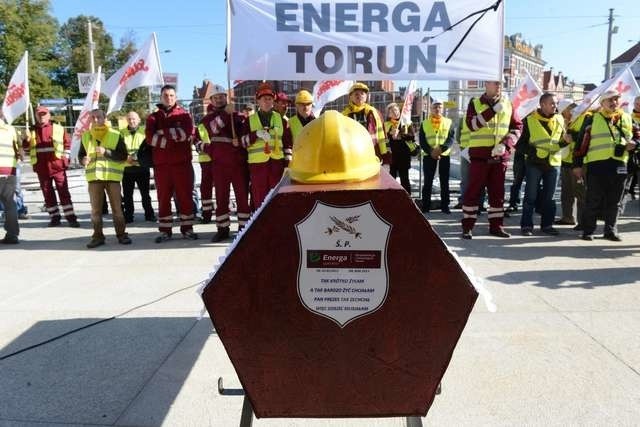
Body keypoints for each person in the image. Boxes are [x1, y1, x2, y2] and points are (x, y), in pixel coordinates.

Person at [461, 80, 523, 239]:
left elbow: (517, 127)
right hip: (479, 157)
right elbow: (472, 125)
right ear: (486, 84)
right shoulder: (474, 103)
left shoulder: (508, 103)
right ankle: (467, 227)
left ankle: (496, 227)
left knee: (498, 194)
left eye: (501, 83)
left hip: (499, 157)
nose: (499, 85)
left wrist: (506, 144)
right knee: (472, 193)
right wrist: (492, 110)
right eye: (495, 83)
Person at [573, 89, 637, 241]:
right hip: (597, 165)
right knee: (593, 199)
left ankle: (610, 231)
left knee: (615, 201)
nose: (614, 102)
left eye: (616, 99)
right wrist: (577, 165)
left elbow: (638, 137)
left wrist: (635, 144)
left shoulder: (627, 118)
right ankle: (588, 231)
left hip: (620, 164)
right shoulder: (592, 119)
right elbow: (581, 143)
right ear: (602, 103)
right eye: (610, 100)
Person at [198, 85, 251, 242]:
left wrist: (239, 141)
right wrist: (227, 114)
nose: (219, 99)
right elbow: (214, 128)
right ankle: (222, 229)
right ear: (212, 100)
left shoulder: (239, 117)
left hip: (238, 163)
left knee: (242, 197)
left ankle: (244, 228)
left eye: (222, 96)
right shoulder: (208, 118)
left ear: (226, 98)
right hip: (220, 164)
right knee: (221, 198)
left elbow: (245, 136)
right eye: (216, 97)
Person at [146, 84, 198, 243]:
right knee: (163, 198)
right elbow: (150, 138)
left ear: (176, 97)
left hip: (182, 164)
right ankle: (165, 231)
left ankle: (187, 229)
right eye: (165, 95)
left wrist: (162, 132)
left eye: (171, 95)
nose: (168, 98)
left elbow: (187, 134)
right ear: (161, 97)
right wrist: (172, 138)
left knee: (185, 197)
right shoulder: (153, 117)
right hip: (162, 166)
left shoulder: (184, 115)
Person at [78, 109, 131, 248]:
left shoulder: (115, 134)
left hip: (112, 178)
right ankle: (97, 236)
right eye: (93, 118)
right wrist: (82, 160)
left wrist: (106, 152)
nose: (96, 120)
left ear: (104, 118)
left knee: (117, 209)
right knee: (95, 211)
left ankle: (121, 235)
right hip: (94, 178)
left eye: (98, 117)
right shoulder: (85, 136)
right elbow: (80, 156)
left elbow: (123, 156)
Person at [517, 93, 566, 236]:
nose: (555, 106)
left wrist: (566, 141)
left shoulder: (560, 119)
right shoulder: (529, 120)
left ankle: (547, 225)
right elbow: (519, 145)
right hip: (534, 164)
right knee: (530, 196)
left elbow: (559, 143)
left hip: (554, 163)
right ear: (542, 104)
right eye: (552, 103)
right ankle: (526, 226)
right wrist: (534, 152)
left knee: (550, 198)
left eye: (556, 103)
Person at [22, 106, 80, 227]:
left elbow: (68, 145)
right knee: (47, 194)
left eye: (44, 114)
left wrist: (64, 160)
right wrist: (26, 140)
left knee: (64, 193)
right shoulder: (31, 131)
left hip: (57, 167)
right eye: (39, 114)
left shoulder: (58, 128)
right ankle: (54, 217)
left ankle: (71, 218)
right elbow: (27, 151)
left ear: (49, 115)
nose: (41, 116)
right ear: (36, 116)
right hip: (42, 168)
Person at [239, 82, 293, 209]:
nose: (267, 102)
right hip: (258, 166)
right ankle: (262, 226)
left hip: (276, 165)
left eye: (270, 99)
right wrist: (256, 134)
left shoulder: (282, 120)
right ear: (258, 101)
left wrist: (287, 165)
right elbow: (242, 142)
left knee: (276, 197)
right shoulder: (249, 121)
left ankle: (276, 225)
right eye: (264, 99)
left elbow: (287, 145)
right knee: (259, 197)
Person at [342, 82, 391, 168]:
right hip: (351, 155)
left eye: (362, 94)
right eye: (356, 94)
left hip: (372, 153)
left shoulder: (374, 113)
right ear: (350, 97)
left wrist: (384, 153)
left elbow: (381, 134)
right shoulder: (343, 115)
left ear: (366, 97)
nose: (359, 96)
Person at [419, 99, 455, 213]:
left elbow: (450, 139)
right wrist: (431, 152)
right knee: (428, 181)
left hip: (444, 155)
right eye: (435, 107)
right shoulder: (424, 123)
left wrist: (440, 149)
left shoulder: (449, 122)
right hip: (428, 155)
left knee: (444, 181)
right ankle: (425, 206)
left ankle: (445, 206)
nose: (437, 109)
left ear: (443, 109)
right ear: (431, 109)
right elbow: (422, 141)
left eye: (439, 107)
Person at [121, 111, 156, 223]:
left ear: (139, 120)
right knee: (127, 195)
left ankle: (149, 215)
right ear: (127, 120)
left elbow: (149, 149)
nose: (132, 121)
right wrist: (126, 157)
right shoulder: (121, 133)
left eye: (134, 119)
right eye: (130, 119)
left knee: (145, 194)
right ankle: (129, 216)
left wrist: (141, 159)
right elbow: (118, 149)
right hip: (127, 168)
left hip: (142, 168)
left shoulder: (145, 132)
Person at [556, 101, 586, 229]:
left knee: (579, 193)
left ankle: (582, 222)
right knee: (566, 193)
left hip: (577, 162)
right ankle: (567, 217)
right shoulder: (562, 121)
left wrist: (572, 135)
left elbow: (585, 135)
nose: (572, 111)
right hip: (565, 161)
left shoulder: (582, 119)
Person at [385, 103, 417, 194]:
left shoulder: (406, 122)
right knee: (391, 179)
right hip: (392, 156)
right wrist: (390, 135)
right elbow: (383, 139)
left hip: (404, 155)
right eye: (392, 111)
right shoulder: (386, 124)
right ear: (389, 114)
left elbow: (412, 136)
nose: (395, 112)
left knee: (405, 179)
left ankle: (408, 199)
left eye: (397, 110)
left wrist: (401, 135)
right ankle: (392, 197)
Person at [0, 114, 20, 244]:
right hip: (9, 171)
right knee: (10, 204)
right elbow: (18, 150)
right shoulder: (11, 129)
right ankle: (12, 235)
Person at [195, 102, 215, 224]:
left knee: (221, 189)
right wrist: (209, 148)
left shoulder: (221, 124)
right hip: (206, 162)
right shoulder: (201, 126)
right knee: (205, 189)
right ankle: (206, 214)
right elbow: (196, 144)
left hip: (218, 161)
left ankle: (222, 212)